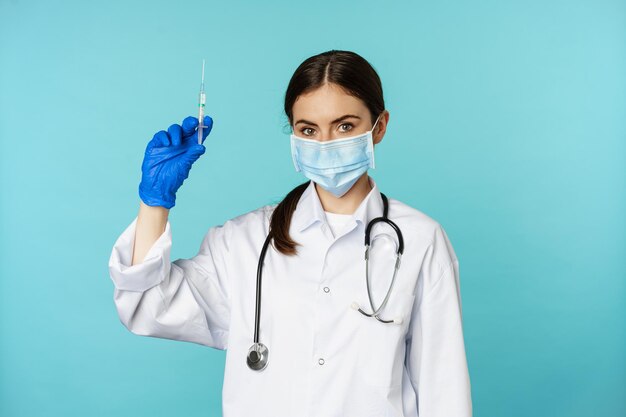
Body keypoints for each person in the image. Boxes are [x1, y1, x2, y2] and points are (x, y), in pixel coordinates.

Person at [108, 49, 472, 417]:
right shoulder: (245, 242)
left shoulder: (420, 241)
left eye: (345, 126)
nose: (326, 143)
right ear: (294, 133)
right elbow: (148, 308)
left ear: (379, 127)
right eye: (308, 130)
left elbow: (444, 390)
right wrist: (155, 202)